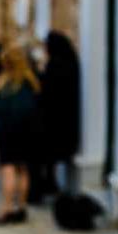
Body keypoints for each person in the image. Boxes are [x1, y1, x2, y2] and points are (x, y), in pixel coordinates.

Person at [0, 45, 40, 225]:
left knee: (9, 169)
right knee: (23, 169)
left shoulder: (4, 84)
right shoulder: (31, 82)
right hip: (27, 131)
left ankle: (7, 208)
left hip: (8, 131)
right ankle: (21, 206)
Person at [41, 31, 80, 193]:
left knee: (48, 153)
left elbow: (47, 90)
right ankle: (51, 182)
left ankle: (49, 183)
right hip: (65, 117)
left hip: (53, 117)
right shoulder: (71, 62)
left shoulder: (55, 65)